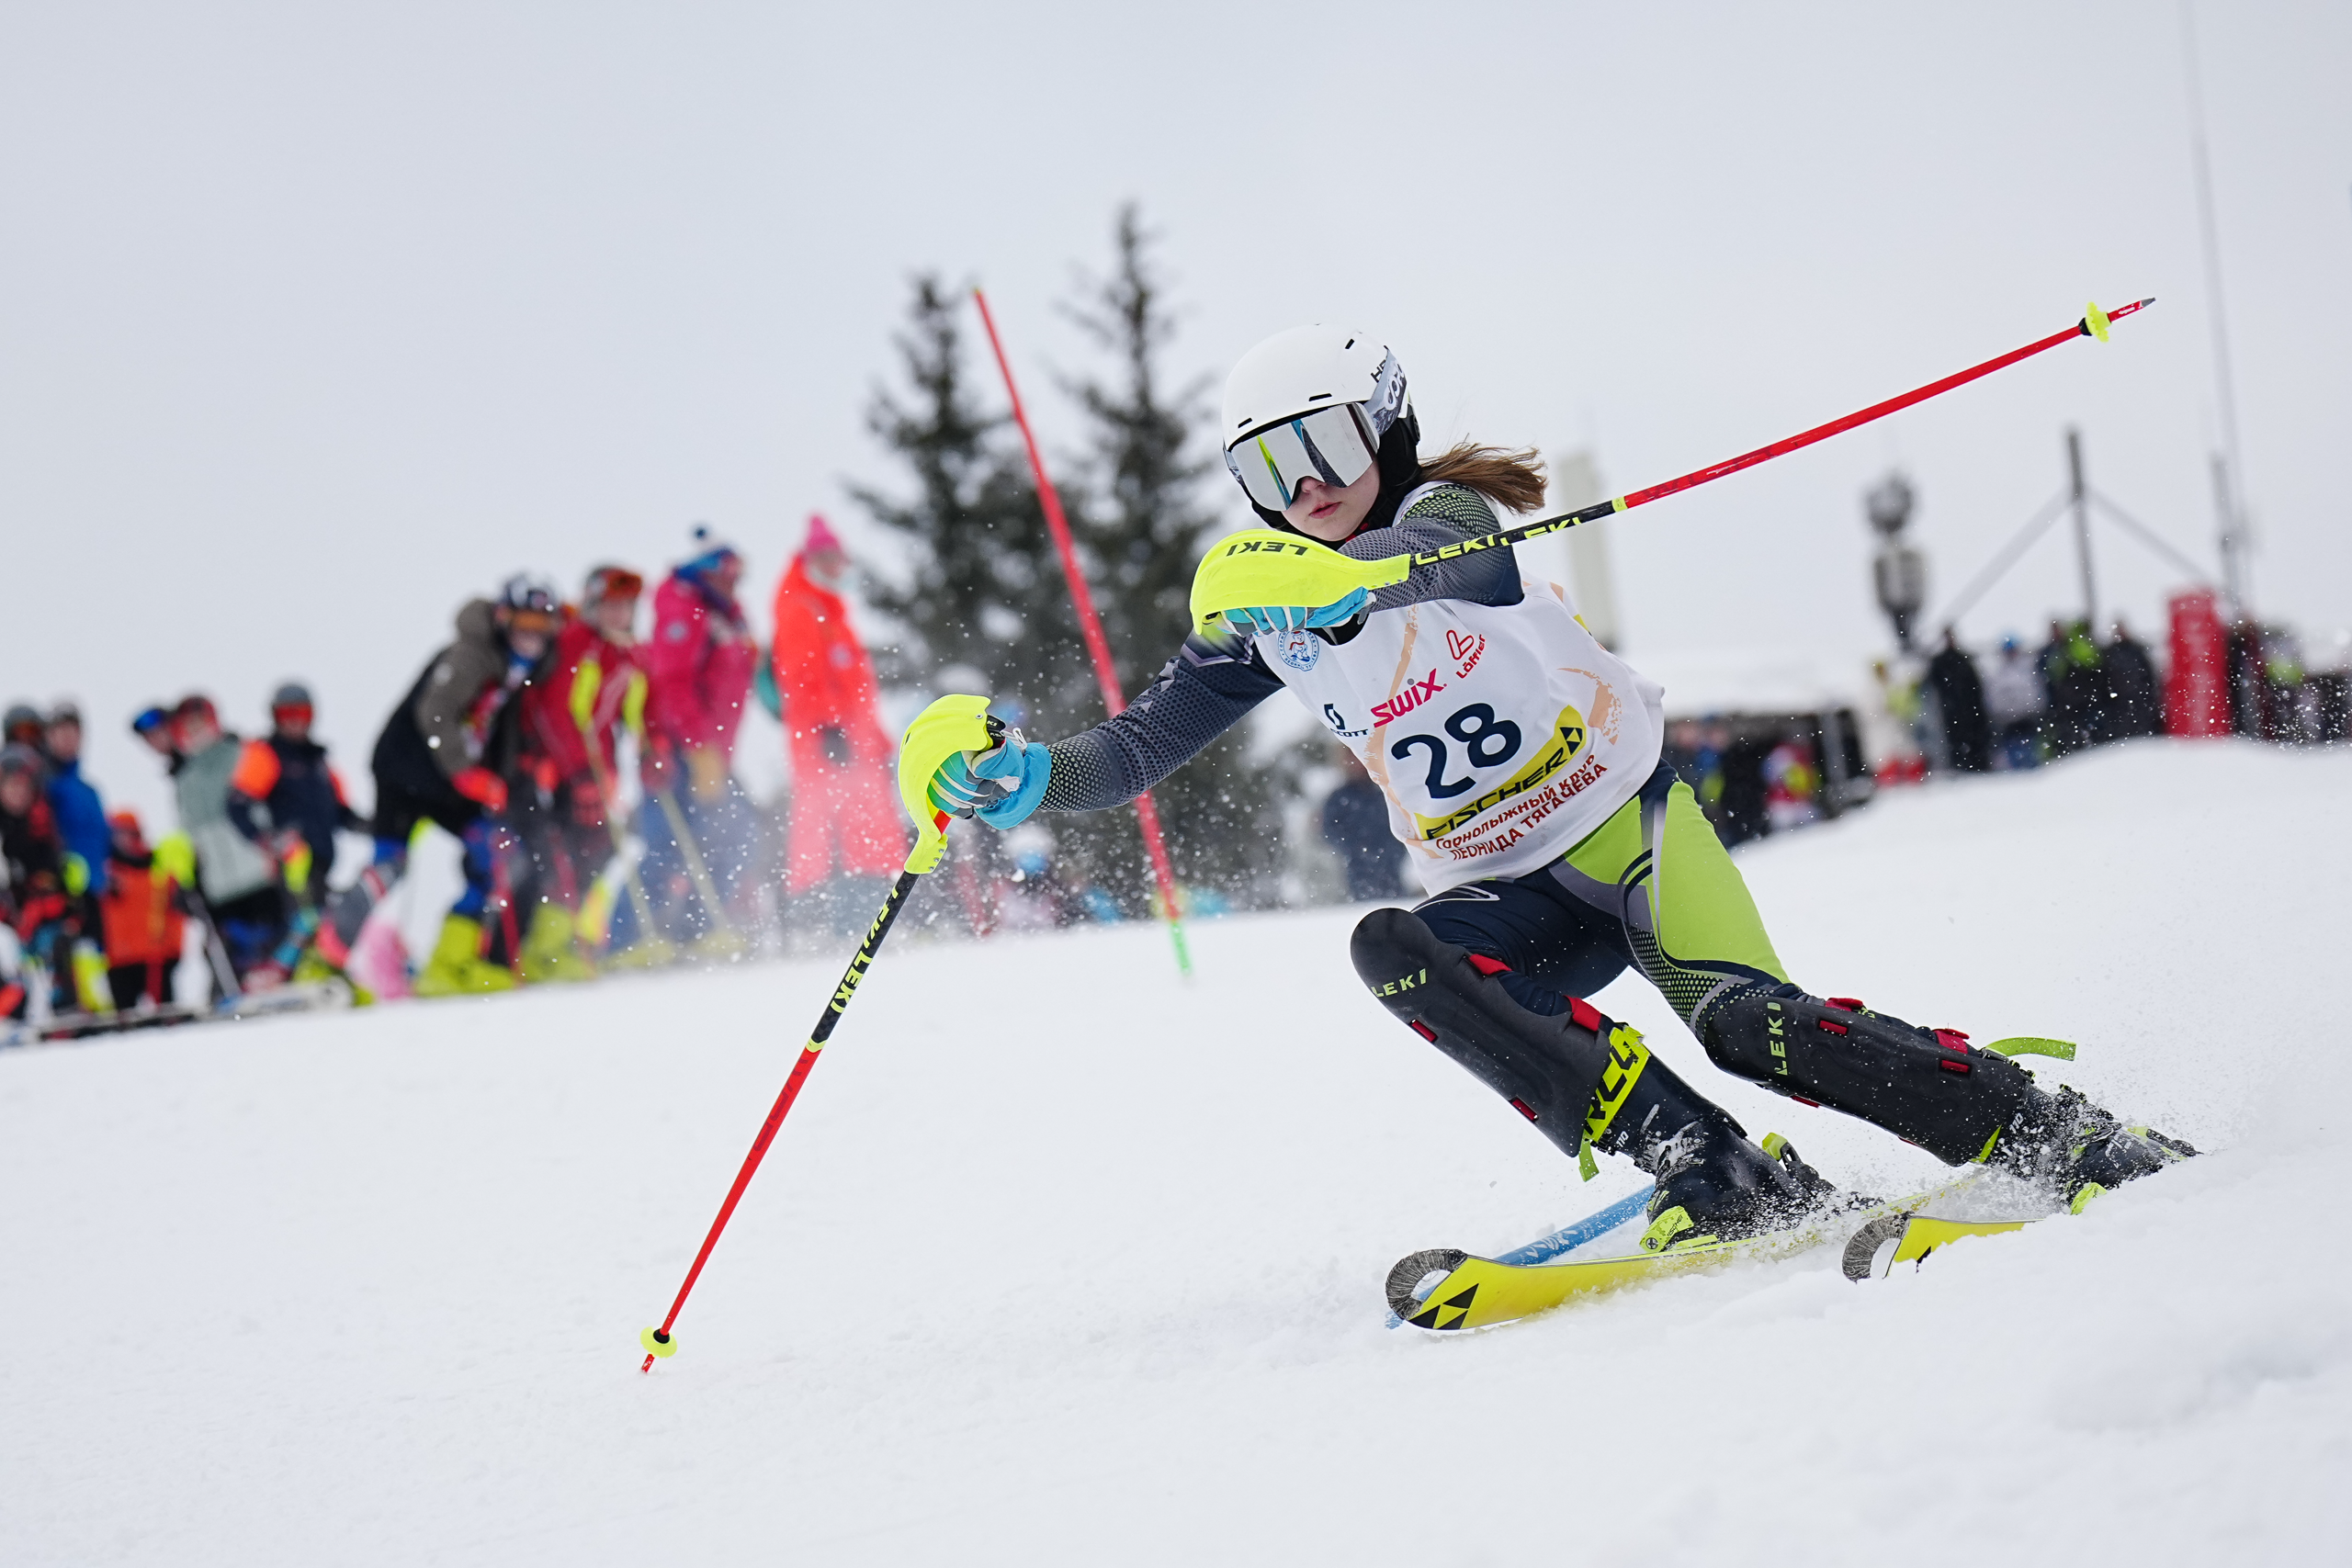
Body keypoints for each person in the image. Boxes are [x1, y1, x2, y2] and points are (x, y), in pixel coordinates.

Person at [913, 325, 2194, 1247]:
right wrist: (1023, 775)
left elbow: (1434, 569)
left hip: (1629, 835)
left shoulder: (1451, 517)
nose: (1303, 486)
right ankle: (1713, 1164)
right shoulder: (1268, 614)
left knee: (1754, 1027)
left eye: (1321, 445)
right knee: (1396, 948)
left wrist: (1322, 577)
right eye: (1267, 471)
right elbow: (1134, 750)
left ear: (1386, 428)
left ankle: (2043, 1127)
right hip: (1502, 887)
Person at [318, 577, 558, 997]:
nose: (532, 634)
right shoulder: (471, 653)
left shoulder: (516, 669)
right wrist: (465, 772)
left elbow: (498, 735)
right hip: (407, 777)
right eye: (524, 622)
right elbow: (435, 713)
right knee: (389, 868)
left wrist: (504, 779)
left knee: (494, 857)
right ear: (504, 618)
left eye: (541, 625)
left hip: (447, 786)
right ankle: (322, 962)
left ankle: (448, 965)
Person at [769, 514, 905, 936]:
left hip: (853, 742)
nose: (836, 567)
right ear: (810, 560)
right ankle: (842, 925)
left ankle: (866, 919)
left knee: (865, 833)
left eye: (838, 559)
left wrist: (878, 741)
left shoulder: (829, 609)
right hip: (828, 743)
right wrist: (828, 727)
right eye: (827, 559)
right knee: (838, 835)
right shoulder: (801, 608)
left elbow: (856, 688)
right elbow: (801, 676)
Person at [516, 565, 648, 978]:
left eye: (625, 607)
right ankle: (544, 949)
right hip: (562, 773)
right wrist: (578, 776)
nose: (618, 615)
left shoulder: (623, 650)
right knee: (564, 858)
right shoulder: (578, 642)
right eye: (609, 606)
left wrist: (647, 743)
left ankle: (571, 939)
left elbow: (629, 711)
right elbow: (559, 712)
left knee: (598, 850)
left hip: (598, 770)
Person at [635, 525, 758, 952]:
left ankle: (695, 930)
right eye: (727, 573)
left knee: (729, 834)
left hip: (712, 751)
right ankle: (629, 938)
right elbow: (672, 682)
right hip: (679, 749)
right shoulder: (683, 608)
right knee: (665, 843)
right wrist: (696, 745)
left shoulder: (725, 614)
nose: (734, 582)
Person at [168, 695, 289, 989]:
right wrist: (188, 879)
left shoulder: (243, 755)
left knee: (272, 948)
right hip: (219, 887)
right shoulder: (184, 780)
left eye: (202, 723)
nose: (197, 732)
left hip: (258, 874)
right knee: (230, 956)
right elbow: (189, 837)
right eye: (190, 726)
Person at [227, 683, 366, 918]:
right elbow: (237, 806)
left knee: (323, 929)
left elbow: (341, 813)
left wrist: (384, 826)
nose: (295, 721)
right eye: (286, 714)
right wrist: (269, 839)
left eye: (301, 713)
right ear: (275, 717)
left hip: (322, 863)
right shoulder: (267, 754)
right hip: (292, 869)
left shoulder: (319, 762)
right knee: (306, 929)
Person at [2, 742, 78, 1018]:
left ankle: (63, 1005)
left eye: (23, 786)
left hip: (41, 920)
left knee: (56, 943)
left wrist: (37, 906)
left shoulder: (43, 827)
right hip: (11, 923)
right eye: (11, 786)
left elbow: (55, 880)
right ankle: (12, 1010)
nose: (17, 793)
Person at [98, 809, 186, 1011]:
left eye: (124, 833)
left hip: (157, 955)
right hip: (119, 959)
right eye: (115, 834)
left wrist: (174, 949)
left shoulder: (160, 867)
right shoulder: (106, 873)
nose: (120, 840)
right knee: (125, 1019)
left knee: (165, 1014)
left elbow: (176, 913)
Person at [1320, 745, 1406, 901]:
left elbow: (1403, 823)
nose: (1356, 763)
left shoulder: (1383, 792)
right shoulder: (1338, 798)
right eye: (1350, 759)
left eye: (1358, 758)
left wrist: (1392, 849)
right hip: (1357, 869)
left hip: (1390, 866)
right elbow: (1329, 831)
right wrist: (1354, 849)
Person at [1922, 629, 1990, 773]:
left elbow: (1976, 687)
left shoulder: (1963, 660)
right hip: (1951, 714)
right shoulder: (1940, 663)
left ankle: (1977, 765)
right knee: (1957, 744)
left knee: (1973, 743)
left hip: (1969, 713)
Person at [1979, 635, 2044, 771]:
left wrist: (2035, 709)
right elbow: (1992, 698)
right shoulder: (1998, 673)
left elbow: (2036, 692)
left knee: (2032, 754)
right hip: (2008, 722)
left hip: (2028, 719)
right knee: (2014, 758)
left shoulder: (2027, 668)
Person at [2103, 620, 2162, 739]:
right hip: (2120, 700)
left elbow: (2148, 674)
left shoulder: (2135, 650)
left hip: (2139, 697)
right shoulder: (2110, 653)